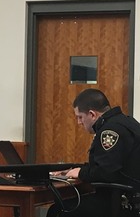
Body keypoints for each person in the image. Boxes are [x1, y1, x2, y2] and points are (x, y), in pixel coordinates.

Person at [47, 88, 140, 217]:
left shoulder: (110, 131)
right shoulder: (127, 122)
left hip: (120, 202)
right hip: (130, 199)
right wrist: (77, 170)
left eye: (80, 117)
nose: (79, 122)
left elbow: (106, 172)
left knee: (58, 210)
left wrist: (80, 172)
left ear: (92, 114)